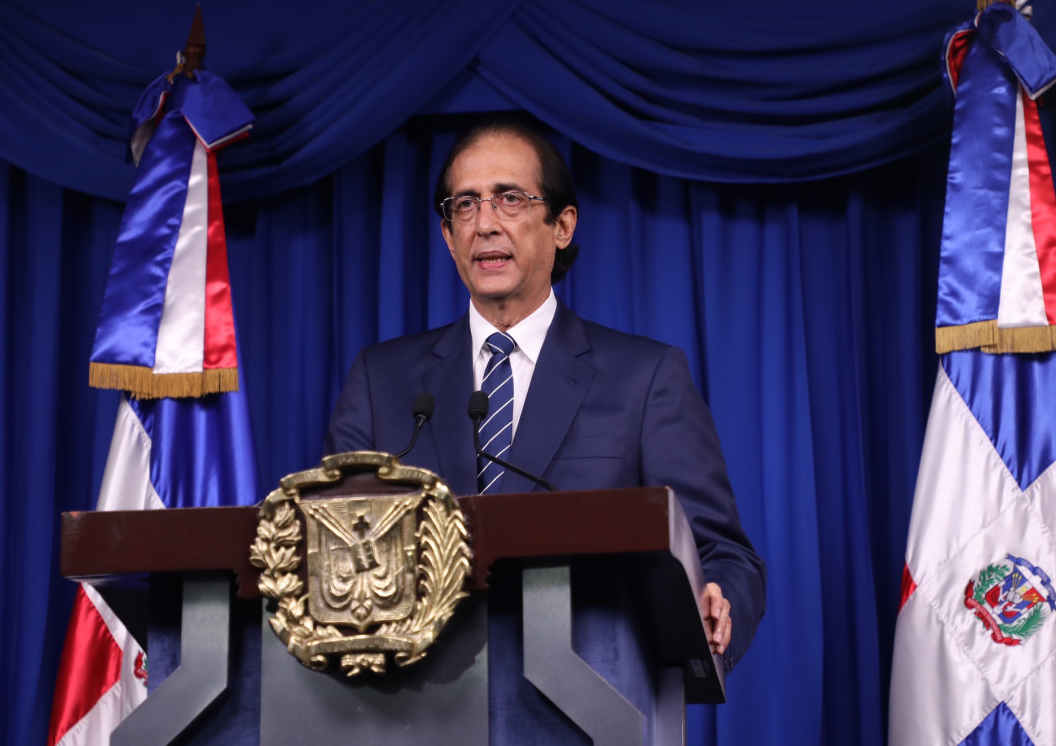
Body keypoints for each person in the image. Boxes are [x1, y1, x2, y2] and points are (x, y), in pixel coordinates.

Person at [325, 118, 765, 669]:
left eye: (509, 199)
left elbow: (721, 553)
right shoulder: (382, 380)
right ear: (448, 236)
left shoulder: (646, 377)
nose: (485, 224)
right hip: (411, 696)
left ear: (562, 225)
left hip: (593, 693)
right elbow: (331, 549)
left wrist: (717, 598)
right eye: (465, 204)